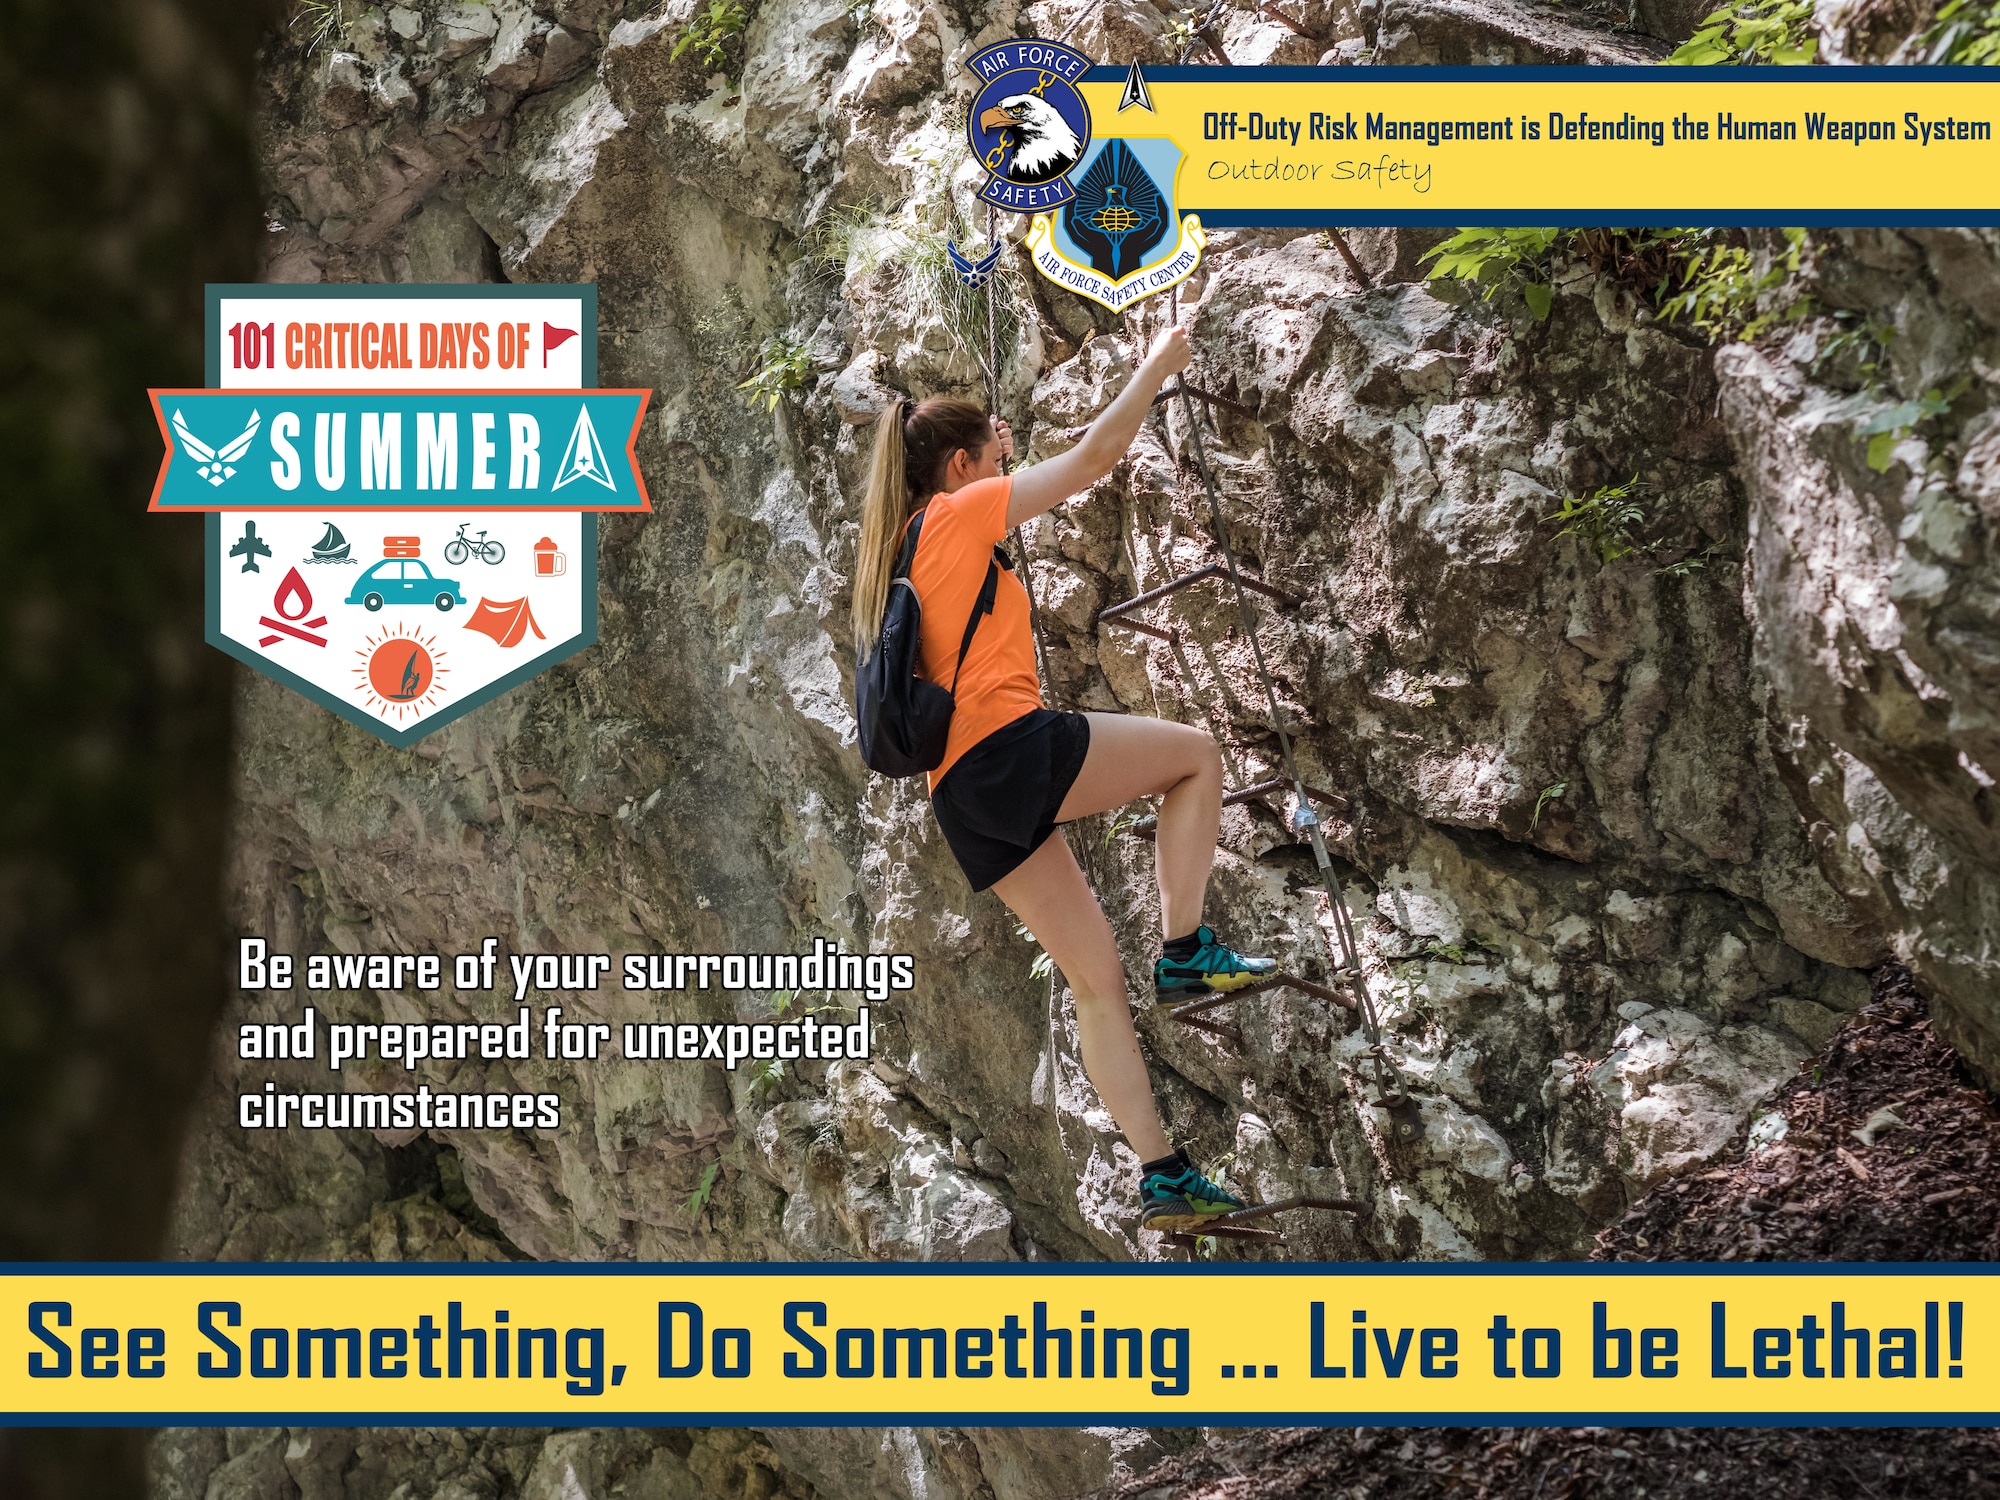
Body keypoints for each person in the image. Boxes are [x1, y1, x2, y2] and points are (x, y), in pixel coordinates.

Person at [851, 325, 1279, 1231]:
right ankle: (1188, 948)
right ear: (962, 465)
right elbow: (1093, 458)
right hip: (1006, 749)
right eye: (996, 458)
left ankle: (1163, 1174)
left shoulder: (901, 545)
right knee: (1196, 755)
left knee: (1094, 982)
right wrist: (1157, 367)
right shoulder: (959, 514)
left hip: (960, 798)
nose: (1007, 470)